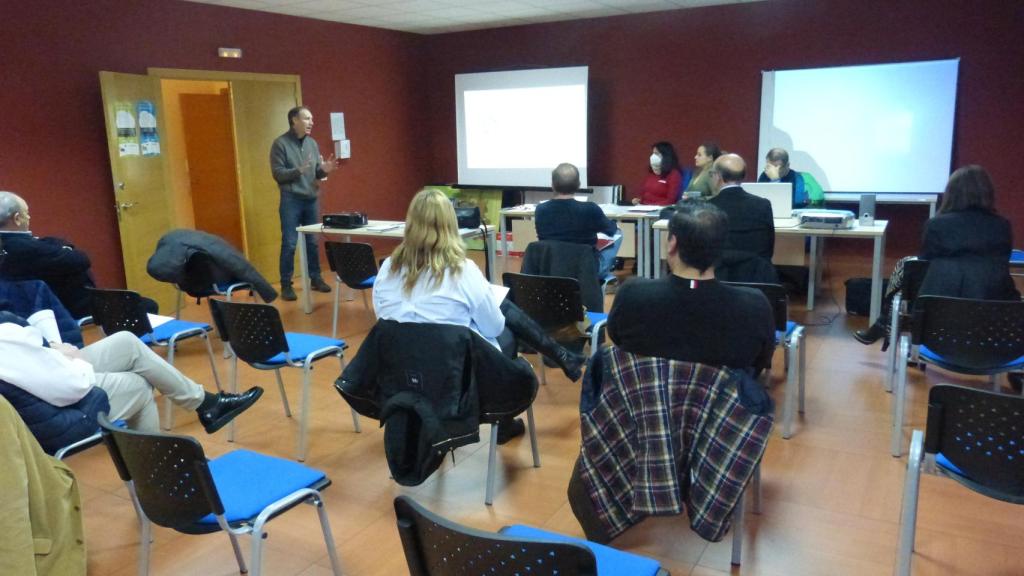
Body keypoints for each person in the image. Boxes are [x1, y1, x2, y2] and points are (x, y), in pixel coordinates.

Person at [374, 189, 586, 441]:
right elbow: (494, 329)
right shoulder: (461, 270)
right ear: (451, 224)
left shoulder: (389, 266)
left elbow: (382, 318)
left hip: (402, 365)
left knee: (499, 307)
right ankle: (504, 419)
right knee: (506, 328)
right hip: (456, 369)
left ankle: (561, 356)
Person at [0, 316, 264, 434]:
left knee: (126, 342)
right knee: (138, 385)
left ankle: (207, 404)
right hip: (52, 411)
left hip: (44, 368)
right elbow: (70, 385)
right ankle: (158, 471)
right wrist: (72, 359)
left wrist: (53, 349)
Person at [855, 165, 1019, 348]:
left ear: (951, 193)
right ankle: (883, 323)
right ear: (987, 193)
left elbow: (924, 268)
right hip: (995, 326)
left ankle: (884, 322)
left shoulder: (937, 225)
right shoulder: (1002, 227)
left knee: (907, 266)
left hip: (936, 324)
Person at [608, 201, 775, 372]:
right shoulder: (754, 304)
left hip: (646, 394)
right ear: (721, 247)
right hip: (721, 396)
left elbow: (616, 337)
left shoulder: (632, 293)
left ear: (672, 243)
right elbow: (761, 359)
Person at [0, 191, 160, 319]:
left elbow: (48, 242)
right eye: (26, 213)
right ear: (17, 218)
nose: (29, 217)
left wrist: (58, 247)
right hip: (72, 307)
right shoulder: (28, 249)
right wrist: (64, 248)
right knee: (147, 305)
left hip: (27, 310)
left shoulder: (11, 246)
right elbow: (81, 259)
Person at [270, 106, 339, 301]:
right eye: (307, 118)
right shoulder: (280, 144)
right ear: (294, 121)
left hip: (311, 199)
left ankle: (315, 279)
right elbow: (278, 174)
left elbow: (316, 172)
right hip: (291, 200)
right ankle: (286, 285)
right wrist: (297, 171)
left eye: (312, 118)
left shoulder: (312, 144)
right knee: (290, 243)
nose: (312, 122)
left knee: (312, 242)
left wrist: (324, 170)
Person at [534, 163, 622, 281]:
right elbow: (612, 230)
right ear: (578, 185)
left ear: (552, 185)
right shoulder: (590, 208)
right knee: (619, 233)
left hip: (550, 269)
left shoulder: (540, 210)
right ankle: (601, 276)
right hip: (585, 269)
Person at [707, 153, 777, 282]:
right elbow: (768, 249)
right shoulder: (763, 205)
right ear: (743, 176)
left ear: (718, 176)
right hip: (758, 279)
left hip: (718, 280)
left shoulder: (708, 208)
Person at [632, 141, 682, 206]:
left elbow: (671, 200)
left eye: (656, 154)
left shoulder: (674, 174)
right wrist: (637, 200)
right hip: (643, 209)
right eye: (653, 153)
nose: (653, 156)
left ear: (666, 156)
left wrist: (651, 206)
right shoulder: (651, 174)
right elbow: (642, 194)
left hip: (659, 210)